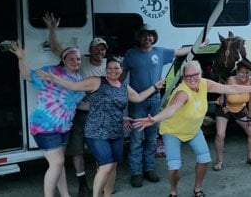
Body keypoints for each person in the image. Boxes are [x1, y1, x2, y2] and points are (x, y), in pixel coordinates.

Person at [132, 60, 251, 197]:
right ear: (183, 77)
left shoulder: (204, 83)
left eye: (195, 74)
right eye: (188, 76)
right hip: (173, 131)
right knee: (174, 167)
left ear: (201, 73)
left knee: (204, 160)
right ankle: (173, 191)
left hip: (193, 129)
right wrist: (155, 119)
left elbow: (230, 89)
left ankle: (197, 189)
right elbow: (172, 108)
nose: (192, 79)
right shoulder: (183, 92)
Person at [37, 56, 164, 197]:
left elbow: (139, 97)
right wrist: (52, 78)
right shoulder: (97, 81)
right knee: (106, 166)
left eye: (116, 68)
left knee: (113, 167)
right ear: (105, 70)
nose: (112, 71)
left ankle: (107, 194)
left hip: (116, 132)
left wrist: (154, 87)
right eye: (109, 68)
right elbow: (72, 86)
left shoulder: (123, 87)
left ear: (122, 70)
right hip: (96, 132)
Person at [122, 24, 209, 188]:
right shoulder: (130, 54)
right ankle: (136, 172)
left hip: (155, 100)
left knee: (151, 137)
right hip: (137, 102)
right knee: (136, 138)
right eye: (144, 35)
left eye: (150, 35)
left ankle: (149, 169)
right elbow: (122, 77)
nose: (148, 38)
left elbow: (179, 52)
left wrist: (199, 45)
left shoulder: (159, 52)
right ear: (139, 37)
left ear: (153, 37)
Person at [43, 12, 108, 196]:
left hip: (97, 113)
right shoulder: (80, 60)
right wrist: (52, 29)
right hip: (79, 112)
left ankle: (100, 182)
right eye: (96, 48)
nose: (100, 51)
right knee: (77, 149)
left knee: (99, 148)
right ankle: (82, 184)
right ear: (90, 49)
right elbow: (57, 48)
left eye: (103, 49)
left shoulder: (109, 66)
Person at [9, 42, 85, 197]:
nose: (75, 61)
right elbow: (27, 76)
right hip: (44, 126)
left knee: (58, 163)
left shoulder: (79, 79)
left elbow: (78, 103)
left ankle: (65, 195)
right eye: (71, 58)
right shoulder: (52, 71)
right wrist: (21, 59)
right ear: (63, 60)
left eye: (78, 59)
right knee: (57, 163)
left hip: (64, 127)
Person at [212, 63, 251, 171]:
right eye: (242, 72)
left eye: (247, 72)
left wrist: (249, 117)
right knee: (220, 134)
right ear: (237, 73)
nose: (245, 75)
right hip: (224, 107)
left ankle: (250, 157)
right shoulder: (231, 80)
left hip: (239, 108)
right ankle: (219, 161)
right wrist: (224, 106)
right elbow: (224, 95)